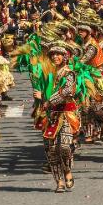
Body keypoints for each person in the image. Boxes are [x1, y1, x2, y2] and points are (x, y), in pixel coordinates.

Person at [34, 40, 80, 193]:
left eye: (58, 54)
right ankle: (59, 181)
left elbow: (67, 91)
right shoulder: (46, 74)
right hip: (50, 115)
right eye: (52, 54)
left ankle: (67, 170)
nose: (55, 57)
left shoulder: (69, 73)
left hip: (66, 114)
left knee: (65, 147)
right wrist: (39, 97)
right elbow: (40, 89)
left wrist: (48, 101)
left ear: (64, 56)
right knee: (52, 150)